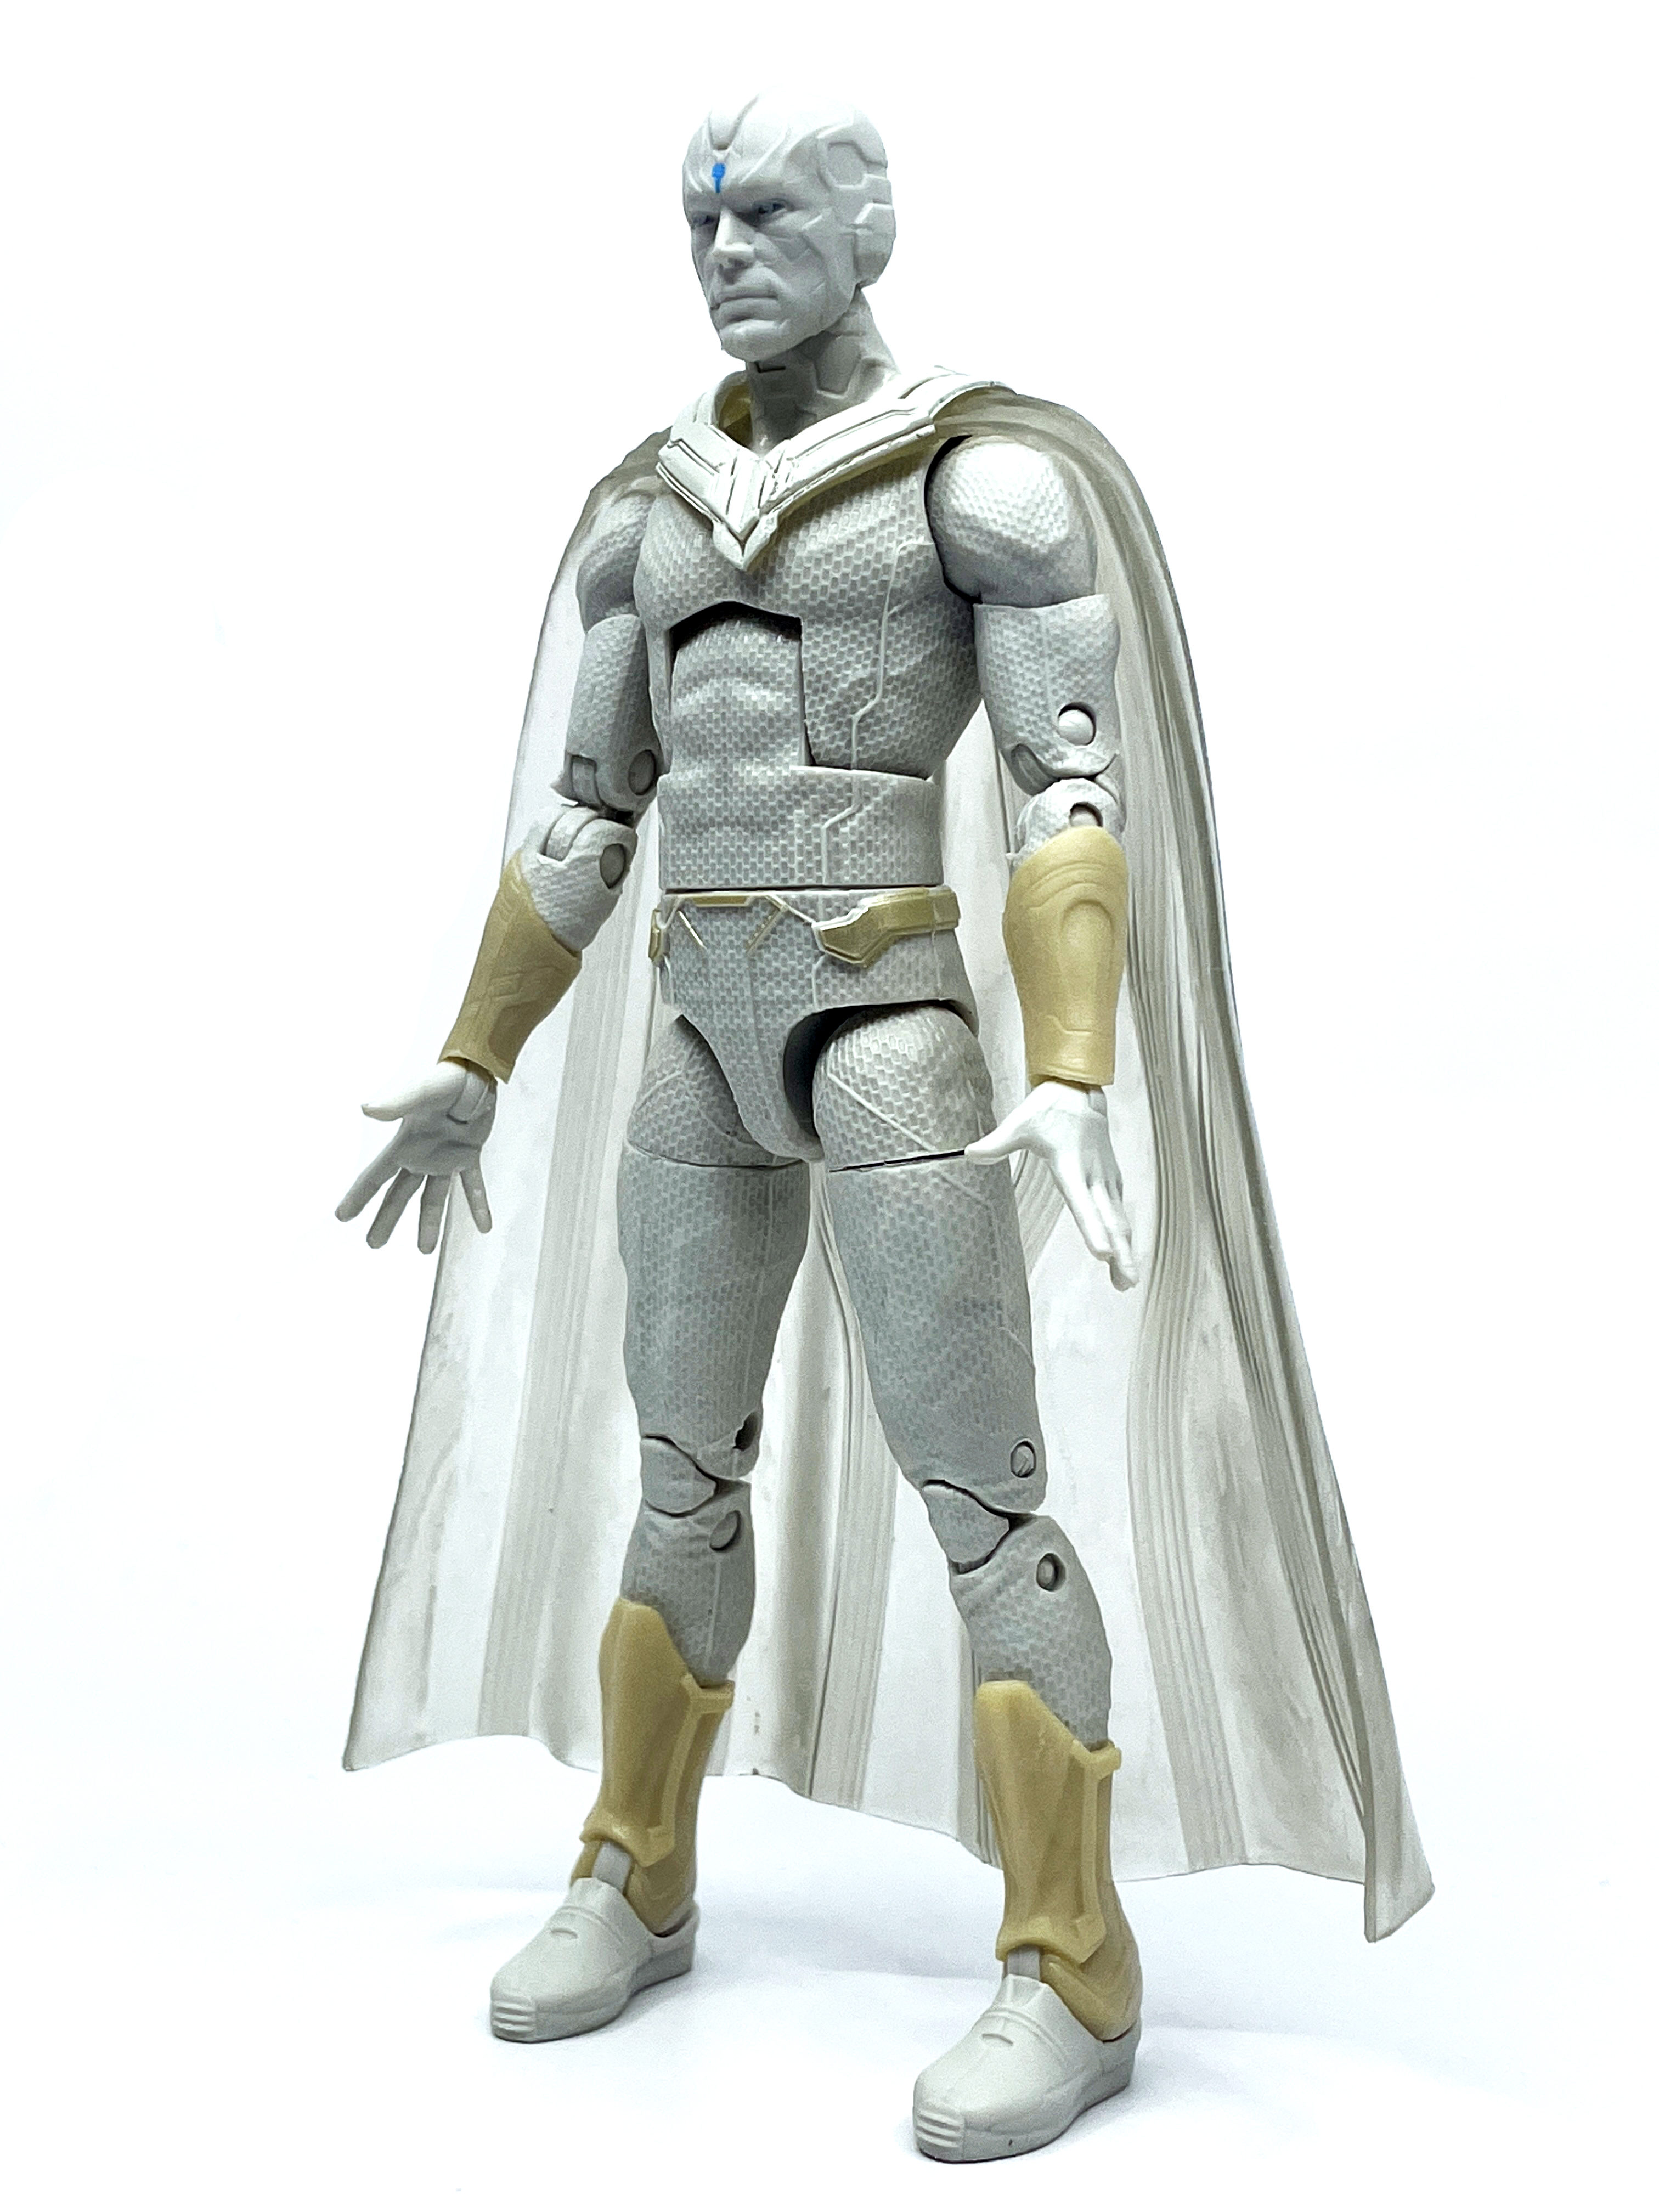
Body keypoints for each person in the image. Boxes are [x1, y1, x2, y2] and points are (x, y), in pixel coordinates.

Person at [339, 95, 1430, 2164]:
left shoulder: (978, 486)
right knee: (679, 1470)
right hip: (699, 1033)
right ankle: (638, 1865)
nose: (726, 253)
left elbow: (1066, 793)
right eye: (699, 221)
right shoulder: (649, 518)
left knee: (983, 1497)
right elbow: (584, 821)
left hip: (886, 1027)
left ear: (869, 226)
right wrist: (478, 1056)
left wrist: (1075, 1069)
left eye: (766, 213)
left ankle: (1072, 1960)